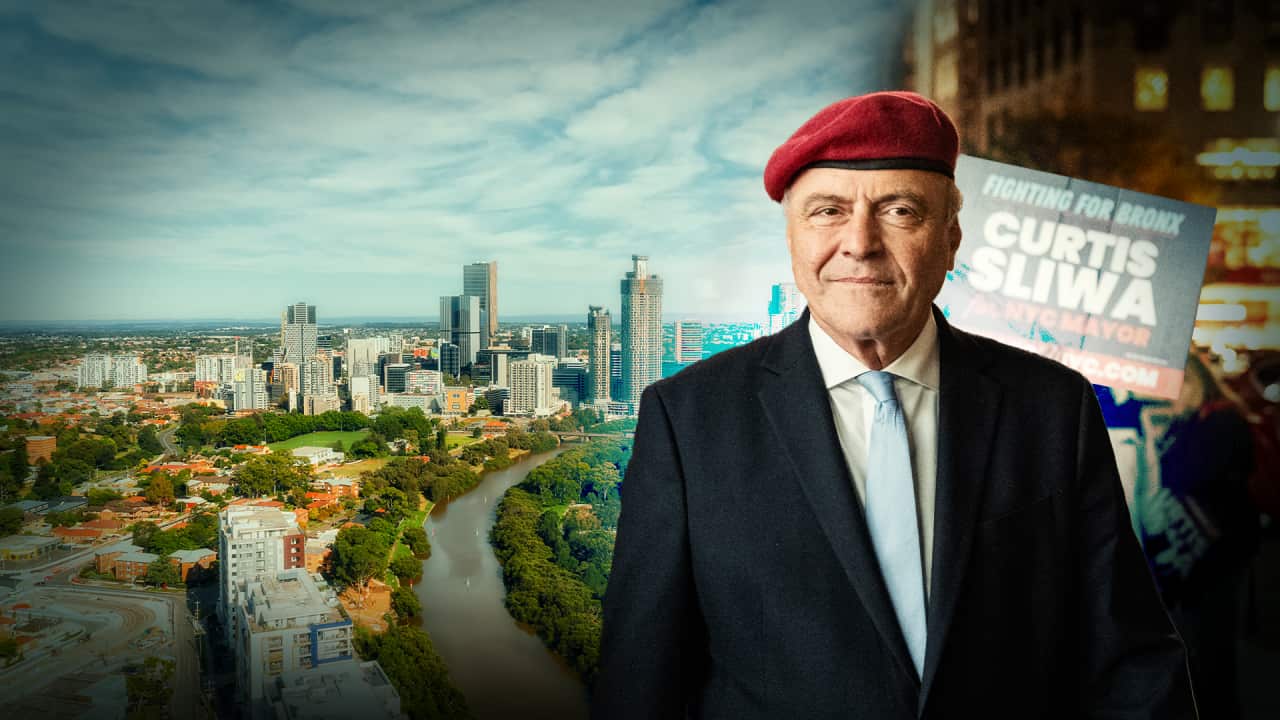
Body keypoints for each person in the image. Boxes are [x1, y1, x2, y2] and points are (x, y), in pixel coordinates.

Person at [592, 91, 1196, 719]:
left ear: (951, 237)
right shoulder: (687, 418)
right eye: (827, 211)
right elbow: (640, 680)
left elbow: (1130, 662)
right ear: (792, 238)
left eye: (900, 211)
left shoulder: (1050, 405)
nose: (860, 243)